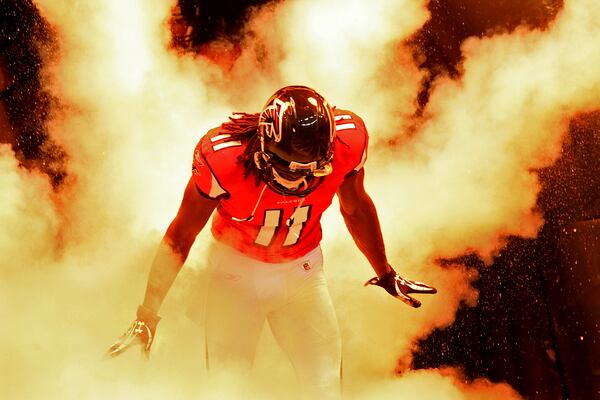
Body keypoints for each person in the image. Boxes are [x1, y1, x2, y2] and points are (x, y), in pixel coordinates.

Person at [108, 85, 437, 398]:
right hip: (234, 277)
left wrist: (384, 270)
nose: (298, 182)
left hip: (302, 273)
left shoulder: (347, 141)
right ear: (263, 147)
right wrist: (146, 314)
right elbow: (181, 234)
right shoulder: (224, 158)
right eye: (289, 170)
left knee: (324, 388)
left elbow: (354, 206)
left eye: (309, 172)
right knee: (227, 391)